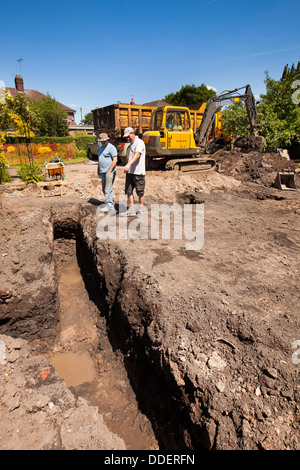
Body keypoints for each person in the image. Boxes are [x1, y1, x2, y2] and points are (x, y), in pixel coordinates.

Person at [121, 127, 146, 217]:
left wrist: (128, 164)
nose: (127, 139)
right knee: (129, 191)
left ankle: (141, 209)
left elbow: (137, 154)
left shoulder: (139, 143)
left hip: (138, 172)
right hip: (130, 172)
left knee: (140, 192)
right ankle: (131, 209)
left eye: (128, 136)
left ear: (132, 133)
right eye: (126, 137)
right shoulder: (131, 143)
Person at [97, 133, 118, 212]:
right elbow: (99, 159)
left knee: (108, 188)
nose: (103, 143)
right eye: (102, 142)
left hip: (109, 171)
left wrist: (110, 170)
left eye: (104, 141)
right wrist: (98, 169)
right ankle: (110, 202)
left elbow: (115, 159)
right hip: (102, 171)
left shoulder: (111, 148)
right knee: (104, 188)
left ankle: (109, 205)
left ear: (107, 140)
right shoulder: (100, 148)